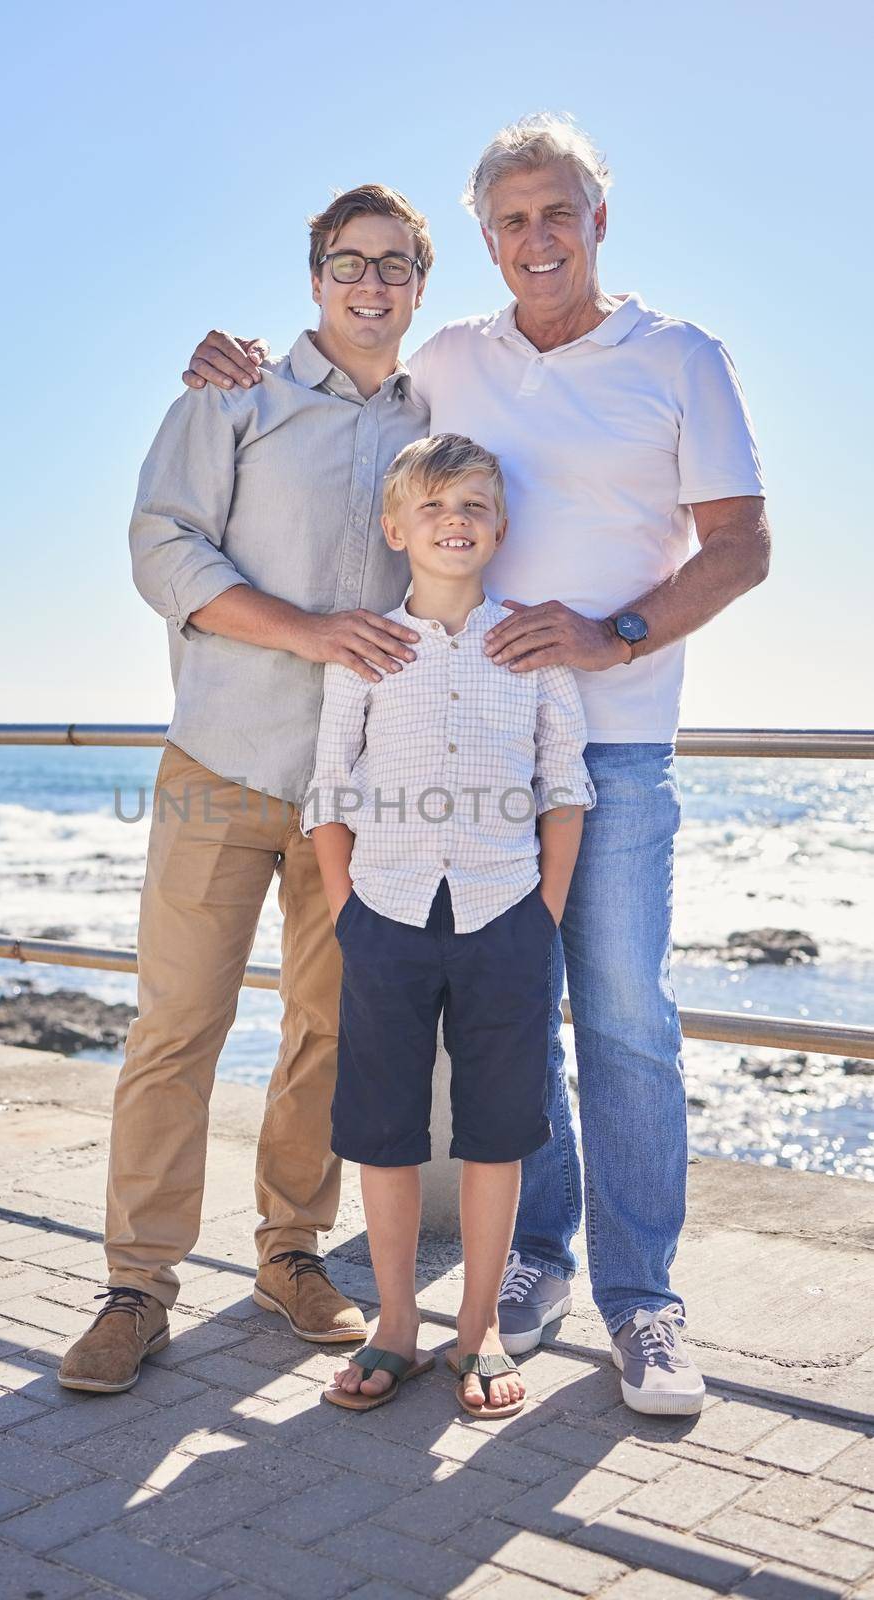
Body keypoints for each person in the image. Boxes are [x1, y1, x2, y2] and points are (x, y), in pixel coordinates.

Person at [179, 113, 770, 1414]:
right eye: (508, 220)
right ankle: (530, 1267)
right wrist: (236, 364)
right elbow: (343, 391)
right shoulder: (450, 358)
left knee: (620, 1024)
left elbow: (735, 546)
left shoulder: (677, 356)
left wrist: (615, 635)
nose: (534, 238)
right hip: (454, 765)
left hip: (606, 751)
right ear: (488, 241)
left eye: (555, 212)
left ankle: (644, 1303)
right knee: (519, 1040)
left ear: (596, 219)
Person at [59, 184, 434, 1394]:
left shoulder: (438, 413)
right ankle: (136, 1286)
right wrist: (311, 631)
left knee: (325, 1032)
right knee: (176, 1029)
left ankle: (290, 1255)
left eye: (392, 264)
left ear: (420, 284)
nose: (368, 283)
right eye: (347, 261)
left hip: (356, 789)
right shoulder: (234, 391)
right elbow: (161, 548)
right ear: (314, 275)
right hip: (221, 764)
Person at [305, 434, 595, 1418]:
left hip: (503, 917)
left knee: (496, 1131)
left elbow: (563, 785)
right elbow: (327, 790)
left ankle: (472, 1336)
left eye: (471, 505)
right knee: (381, 1132)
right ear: (396, 528)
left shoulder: (531, 647)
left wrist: (540, 914)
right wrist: (347, 912)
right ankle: (394, 1326)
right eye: (430, 508)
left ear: (498, 524)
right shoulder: (366, 652)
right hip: (382, 916)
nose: (452, 522)